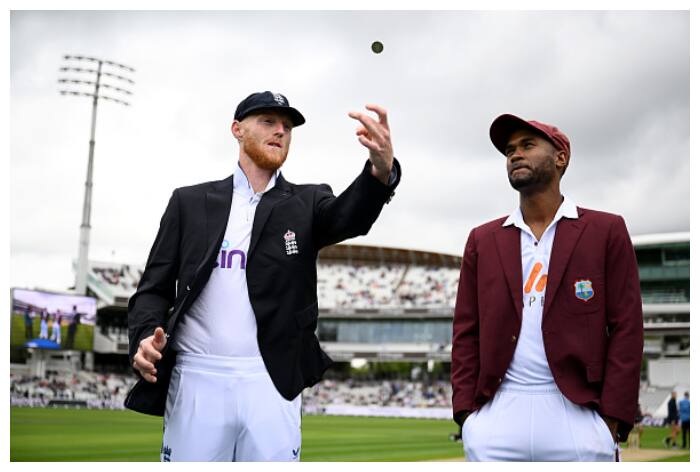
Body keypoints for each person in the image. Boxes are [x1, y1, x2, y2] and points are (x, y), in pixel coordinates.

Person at [125, 91, 401, 462]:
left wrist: (380, 171)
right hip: (197, 376)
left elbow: (349, 217)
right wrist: (145, 336)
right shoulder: (188, 202)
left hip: (271, 378)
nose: (280, 131)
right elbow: (153, 290)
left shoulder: (308, 201)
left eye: (287, 126)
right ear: (237, 130)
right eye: (268, 122)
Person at [451, 114, 643, 461]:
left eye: (527, 145)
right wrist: (467, 416)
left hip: (578, 413)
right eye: (509, 150)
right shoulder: (482, 239)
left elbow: (627, 328)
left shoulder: (606, 230)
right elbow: (466, 331)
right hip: (498, 412)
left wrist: (611, 420)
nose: (514, 155)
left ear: (561, 158)